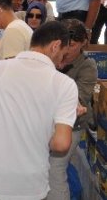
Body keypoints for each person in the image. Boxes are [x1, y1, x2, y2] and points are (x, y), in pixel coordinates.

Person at [0, 21, 79, 200]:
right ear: (55, 46)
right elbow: (61, 144)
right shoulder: (65, 85)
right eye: (63, 55)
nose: (61, 63)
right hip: (30, 183)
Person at [47, 19, 97, 200]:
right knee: (62, 168)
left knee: (56, 170)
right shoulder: (51, 59)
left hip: (72, 126)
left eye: (73, 45)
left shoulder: (87, 66)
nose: (67, 50)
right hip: (48, 123)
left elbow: (79, 100)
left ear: (83, 42)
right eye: (64, 44)